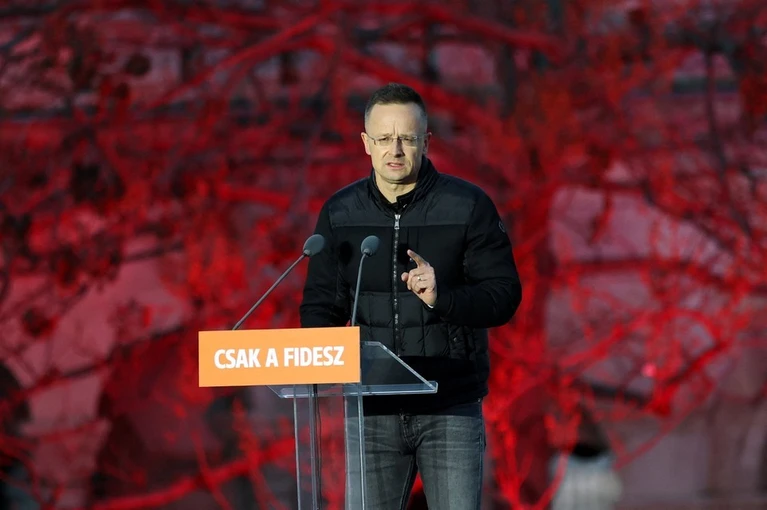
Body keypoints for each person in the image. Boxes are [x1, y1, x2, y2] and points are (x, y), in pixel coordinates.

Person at [299, 82, 522, 510]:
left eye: (407, 138)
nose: (395, 150)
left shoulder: (468, 206)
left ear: (426, 141)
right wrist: (321, 358)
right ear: (366, 143)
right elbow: (321, 307)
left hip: (450, 405)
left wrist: (443, 297)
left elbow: (503, 297)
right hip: (371, 411)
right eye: (384, 138)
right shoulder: (340, 213)